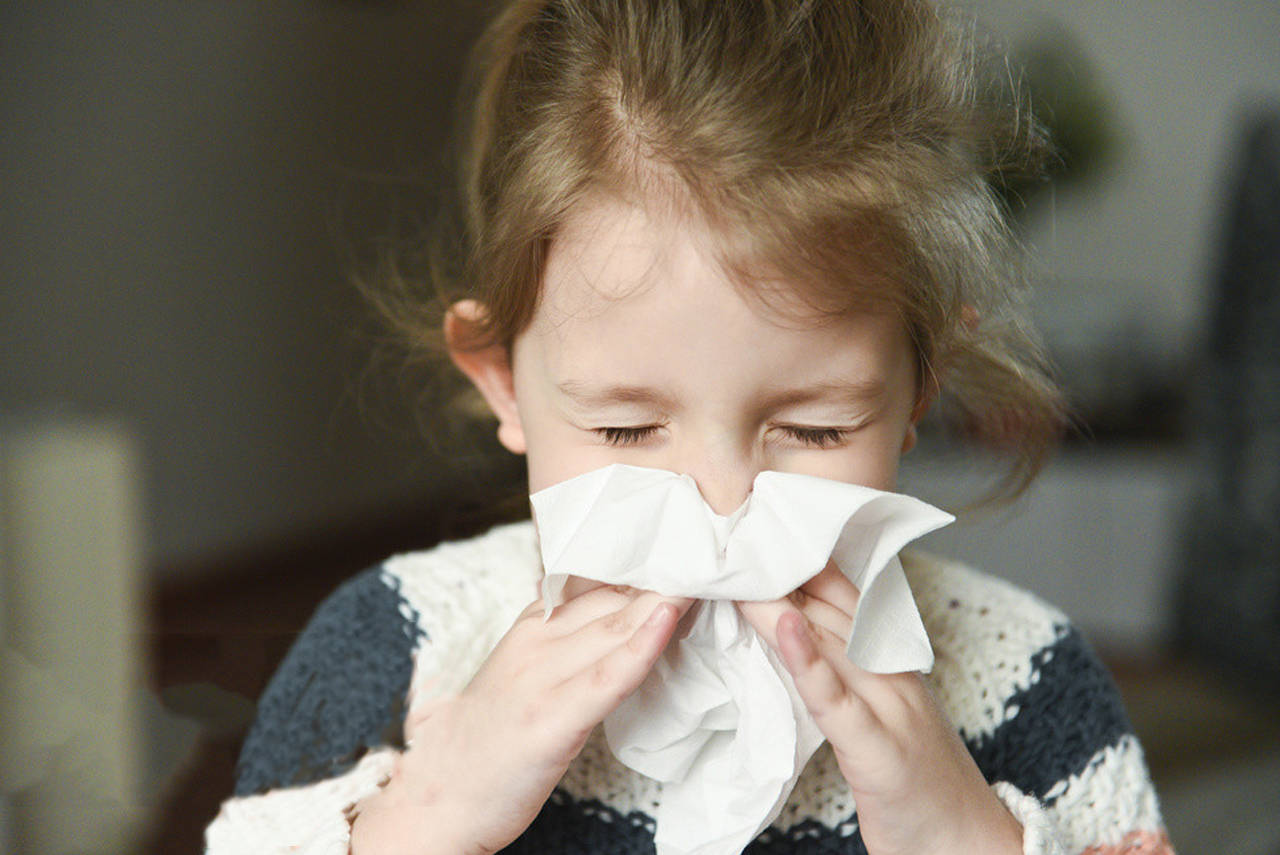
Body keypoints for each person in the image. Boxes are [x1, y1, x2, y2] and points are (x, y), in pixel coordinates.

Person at [206, 1, 1174, 853]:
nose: (721, 506)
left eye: (817, 428)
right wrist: (423, 819)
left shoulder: (1022, 682)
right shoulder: (394, 651)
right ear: (503, 381)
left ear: (918, 389)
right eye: (627, 432)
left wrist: (962, 835)